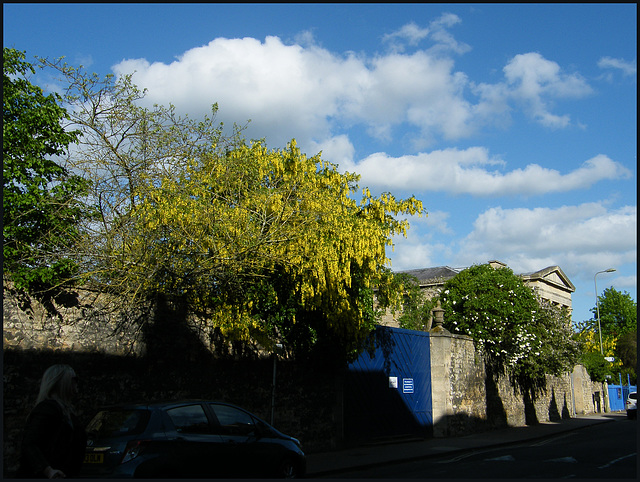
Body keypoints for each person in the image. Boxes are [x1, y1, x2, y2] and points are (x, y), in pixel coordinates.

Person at [17, 364, 87, 478]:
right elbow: (30, 443)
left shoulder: (67, 412)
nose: (76, 383)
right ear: (62, 382)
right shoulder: (47, 409)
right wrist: (48, 470)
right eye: (74, 379)